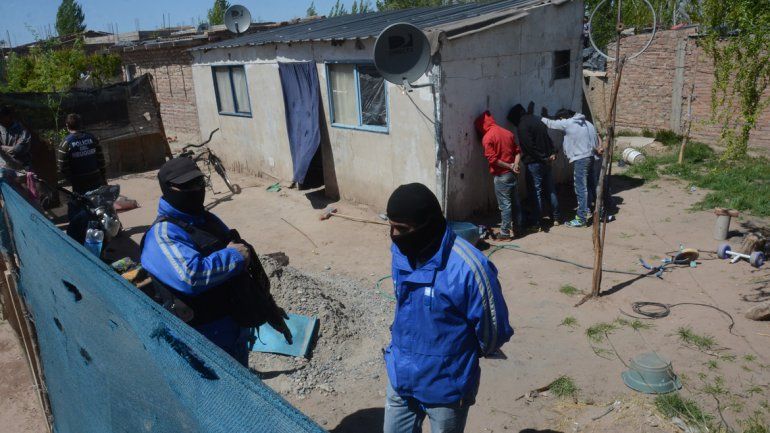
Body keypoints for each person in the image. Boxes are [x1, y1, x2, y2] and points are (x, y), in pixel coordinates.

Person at [383, 183, 513, 433]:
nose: (395, 235)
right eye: (391, 227)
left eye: (402, 229)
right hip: (401, 377)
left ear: (427, 225)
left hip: (447, 388)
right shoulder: (401, 253)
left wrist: (453, 359)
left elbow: (493, 331)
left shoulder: (469, 267)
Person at [140, 157, 291, 366]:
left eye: (199, 182)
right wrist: (234, 257)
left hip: (233, 328)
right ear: (168, 189)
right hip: (201, 341)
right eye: (187, 186)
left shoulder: (208, 221)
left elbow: (241, 270)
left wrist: (267, 307)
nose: (196, 189)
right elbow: (191, 276)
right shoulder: (163, 234)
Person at [540, 109, 601, 227]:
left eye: (560, 120)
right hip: (590, 157)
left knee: (581, 188)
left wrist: (539, 117)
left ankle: (581, 218)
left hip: (581, 159)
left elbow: (551, 123)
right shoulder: (587, 123)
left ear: (562, 118)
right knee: (591, 185)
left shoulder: (568, 122)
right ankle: (597, 210)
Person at [508, 103, 562, 228]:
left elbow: (529, 147)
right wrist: (551, 154)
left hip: (535, 162)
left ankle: (537, 222)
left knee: (535, 192)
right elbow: (547, 139)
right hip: (546, 161)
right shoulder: (537, 120)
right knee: (550, 189)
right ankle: (556, 217)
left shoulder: (522, 126)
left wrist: (542, 158)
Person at [57, 113, 108, 242]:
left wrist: (71, 178)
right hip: (96, 178)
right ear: (81, 124)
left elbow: (62, 166)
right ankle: (108, 230)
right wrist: (103, 176)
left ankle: (84, 233)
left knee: (82, 206)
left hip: (79, 182)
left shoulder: (66, 143)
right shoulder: (92, 138)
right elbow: (101, 159)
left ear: (67, 126)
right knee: (100, 204)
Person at [474, 110, 523, 239]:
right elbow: (518, 152)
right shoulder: (507, 133)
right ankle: (518, 228)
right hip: (512, 174)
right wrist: (515, 165)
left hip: (502, 175)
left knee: (505, 205)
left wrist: (510, 166)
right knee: (515, 203)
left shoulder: (487, 138)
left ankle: (505, 233)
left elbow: (493, 160)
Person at [0, 105, 37, 196]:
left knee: (28, 196)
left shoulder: (22, 130)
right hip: (4, 168)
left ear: (8, 116)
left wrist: (2, 148)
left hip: (22, 168)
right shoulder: (0, 128)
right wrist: (11, 148)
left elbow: (20, 149)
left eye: (1, 117)